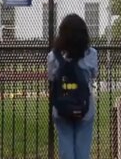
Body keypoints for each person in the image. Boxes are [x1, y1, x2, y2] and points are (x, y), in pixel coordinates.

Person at [48, 14, 98, 159]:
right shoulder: (91, 54)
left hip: (62, 106)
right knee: (83, 151)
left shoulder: (53, 56)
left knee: (66, 149)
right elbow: (94, 74)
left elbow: (51, 77)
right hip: (84, 106)